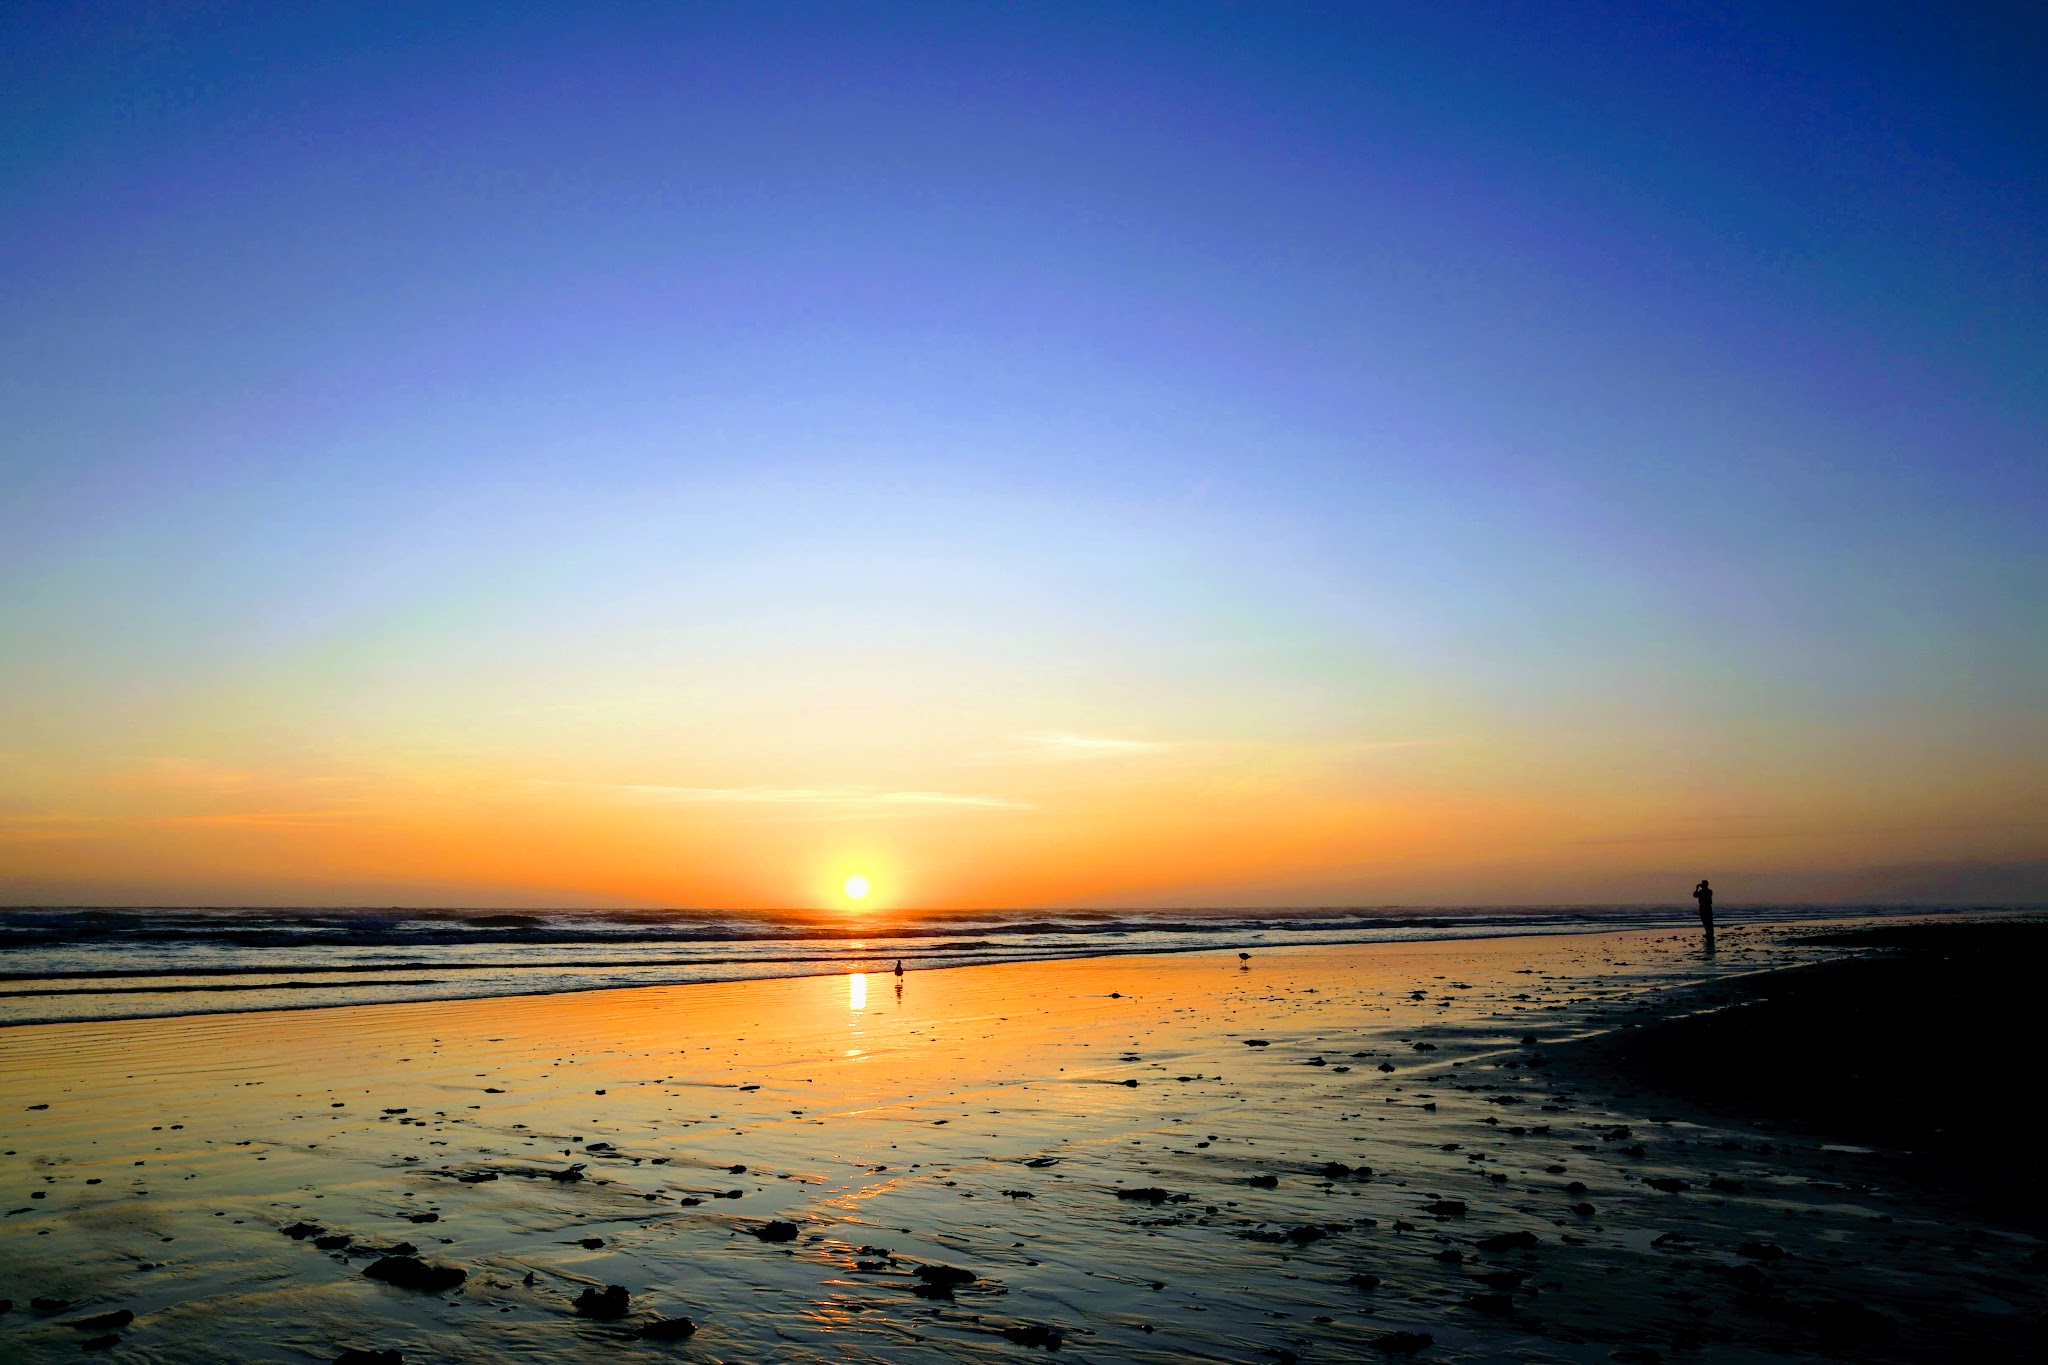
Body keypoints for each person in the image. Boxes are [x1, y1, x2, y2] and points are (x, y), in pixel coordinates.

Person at [1693, 878, 1714, 947]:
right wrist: (1697, 888)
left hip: (1705, 907)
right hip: (1706, 907)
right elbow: (1695, 895)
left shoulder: (1707, 891)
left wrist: (1697, 888)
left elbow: (1695, 895)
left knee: (1707, 920)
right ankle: (1709, 933)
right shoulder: (1708, 891)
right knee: (1706, 920)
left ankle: (1709, 933)